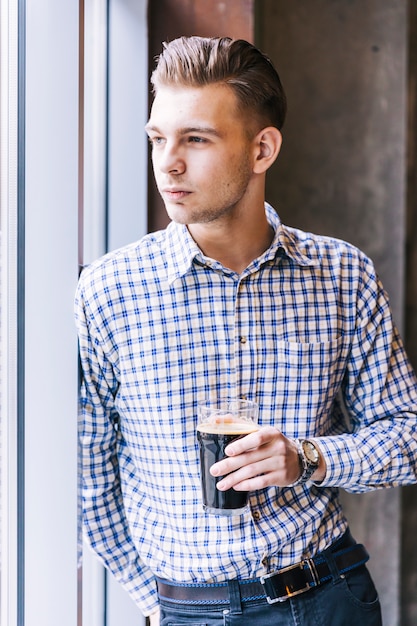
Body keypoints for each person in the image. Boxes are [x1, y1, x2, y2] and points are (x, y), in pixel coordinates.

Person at [75, 36, 417, 626]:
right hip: (188, 610)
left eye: (196, 139)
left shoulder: (341, 274)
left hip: (328, 597)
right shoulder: (108, 292)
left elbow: (407, 436)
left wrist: (307, 457)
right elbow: (87, 472)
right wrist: (158, 603)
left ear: (263, 149)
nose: (168, 163)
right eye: (158, 138)